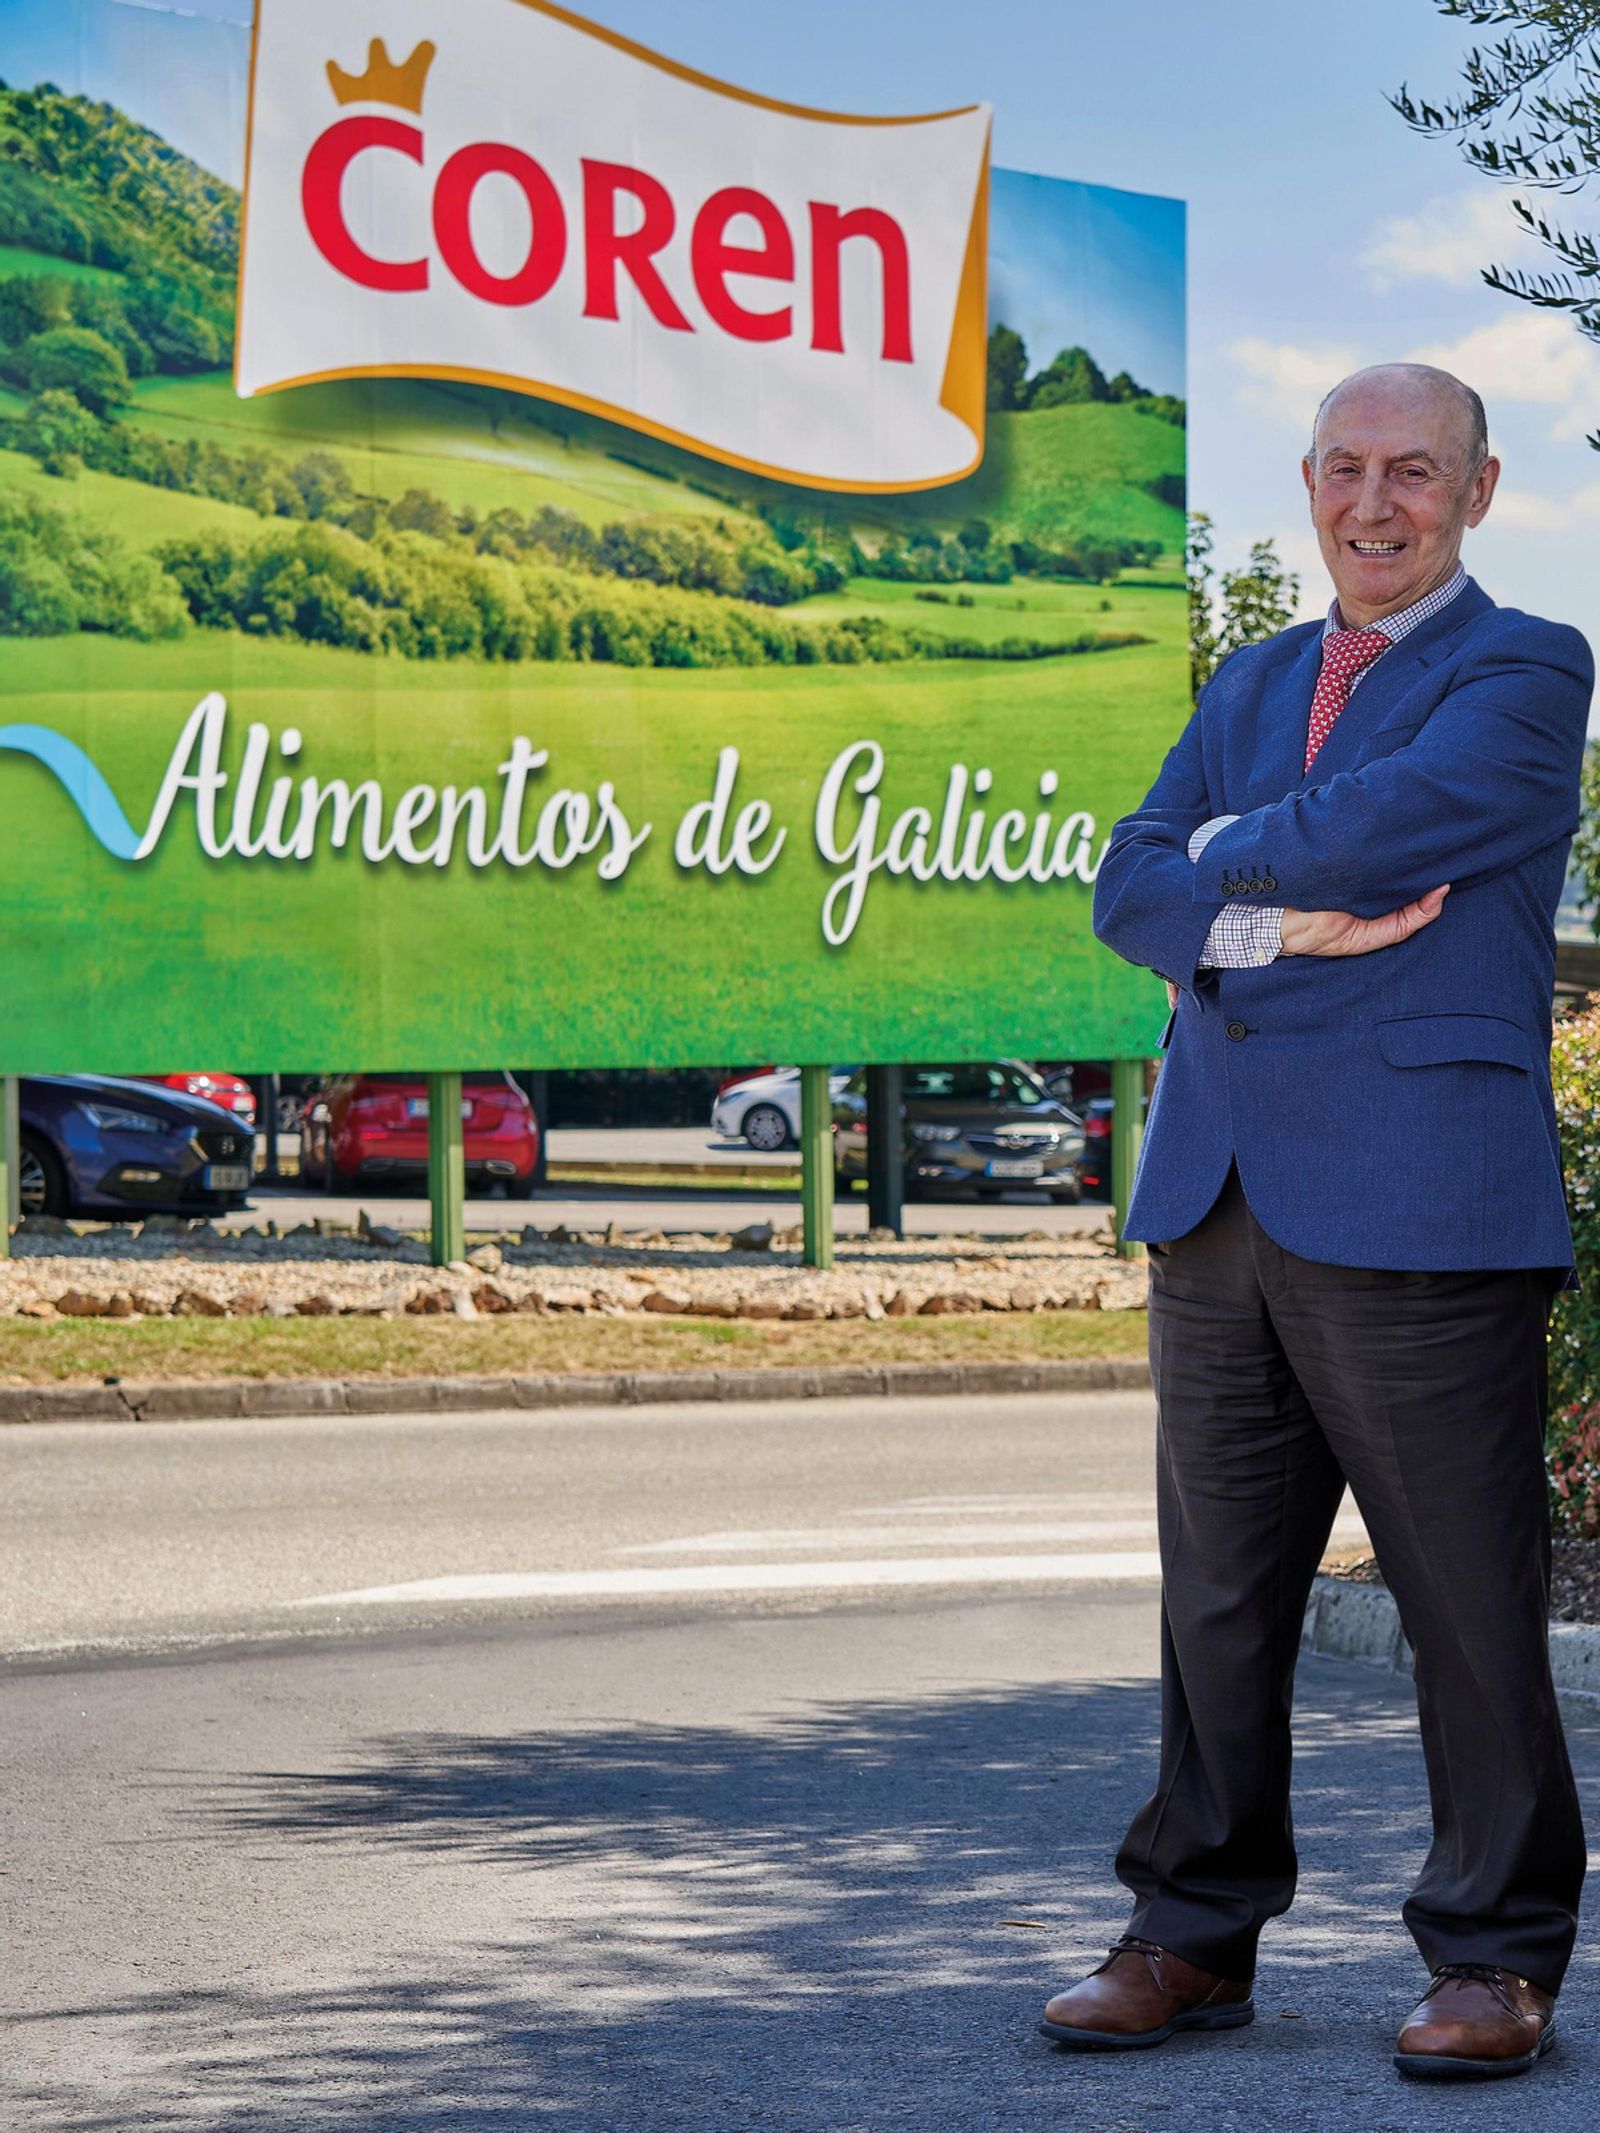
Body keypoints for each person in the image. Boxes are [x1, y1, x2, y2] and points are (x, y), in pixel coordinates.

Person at [1040, 363, 1591, 2083]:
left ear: (1479, 490)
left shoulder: (1524, 666)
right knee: (1214, 1596)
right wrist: (1257, 921)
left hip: (1425, 1196)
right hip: (1213, 1197)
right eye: (1346, 467)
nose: (1375, 500)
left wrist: (1216, 861)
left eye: (1412, 470)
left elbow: (1394, 823)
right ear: (1307, 481)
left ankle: (1495, 1956)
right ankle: (1190, 1929)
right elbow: (1127, 881)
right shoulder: (1253, 672)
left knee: (1465, 1605)